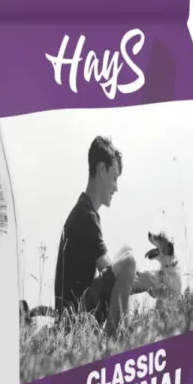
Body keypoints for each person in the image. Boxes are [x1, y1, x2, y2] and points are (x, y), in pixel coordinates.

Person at [54, 136, 144, 336]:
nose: (116, 187)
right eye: (115, 178)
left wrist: (144, 278)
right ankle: (115, 340)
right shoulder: (86, 216)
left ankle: (119, 332)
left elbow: (110, 272)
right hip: (73, 321)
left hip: (75, 312)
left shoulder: (85, 210)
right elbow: (112, 273)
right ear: (102, 170)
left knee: (126, 251)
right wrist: (154, 282)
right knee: (129, 261)